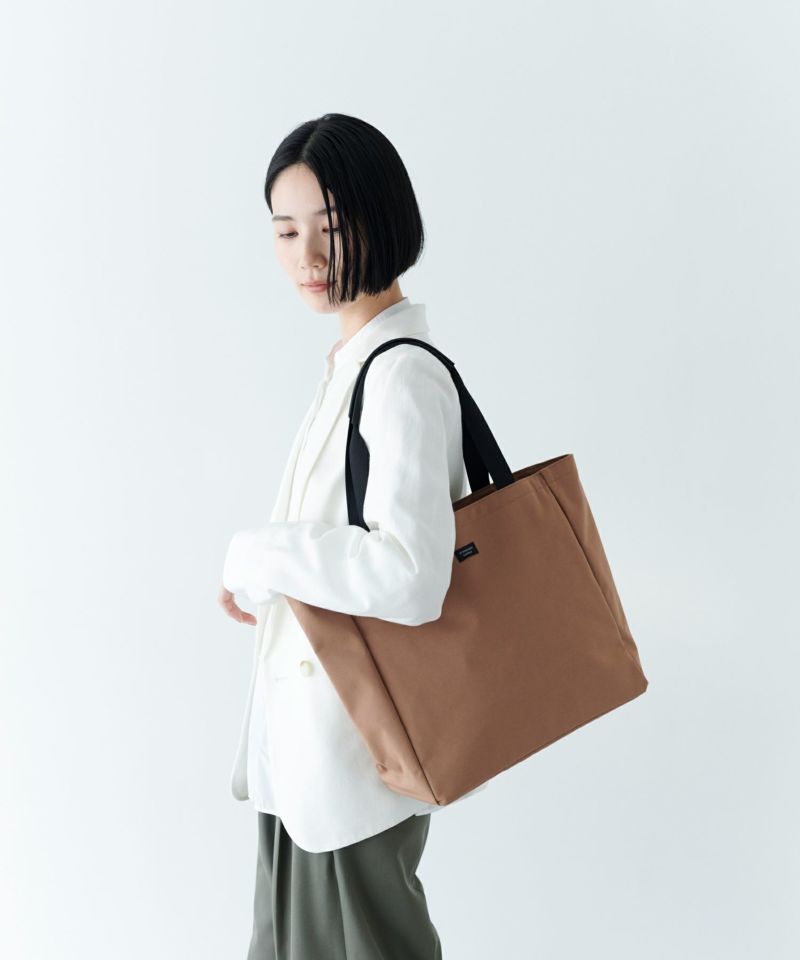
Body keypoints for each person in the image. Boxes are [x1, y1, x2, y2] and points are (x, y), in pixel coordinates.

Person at [218, 112, 485, 960]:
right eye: (285, 230)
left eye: (329, 227)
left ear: (383, 217)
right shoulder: (355, 365)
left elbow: (409, 575)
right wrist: (270, 574)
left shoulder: (399, 374)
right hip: (311, 760)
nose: (306, 255)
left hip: (352, 761)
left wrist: (260, 554)